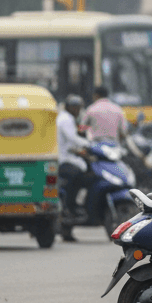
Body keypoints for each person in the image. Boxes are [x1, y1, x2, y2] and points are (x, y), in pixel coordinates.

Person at [55, 95, 92, 238]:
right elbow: (72, 138)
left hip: (67, 156)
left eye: (79, 107)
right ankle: (71, 205)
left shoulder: (68, 119)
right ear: (69, 107)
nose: (78, 110)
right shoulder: (66, 119)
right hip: (63, 160)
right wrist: (89, 144)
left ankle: (72, 204)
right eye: (75, 107)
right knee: (82, 174)